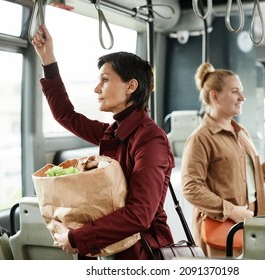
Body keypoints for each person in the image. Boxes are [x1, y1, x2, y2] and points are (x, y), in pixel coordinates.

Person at [31, 25, 174, 260]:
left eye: (105, 80)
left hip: (141, 252)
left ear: (131, 86)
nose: (97, 88)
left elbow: (140, 215)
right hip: (110, 247)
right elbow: (66, 115)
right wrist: (48, 58)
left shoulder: (150, 138)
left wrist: (77, 238)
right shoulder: (113, 132)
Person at [181, 62, 265, 258]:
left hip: (252, 223)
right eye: (235, 92)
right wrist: (231, 210)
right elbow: (191, 187)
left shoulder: (241, 133)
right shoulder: (201, 138)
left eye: (241, 92)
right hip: (222, 227)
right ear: (214, 96)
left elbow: (249, 178)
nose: (242, 97)